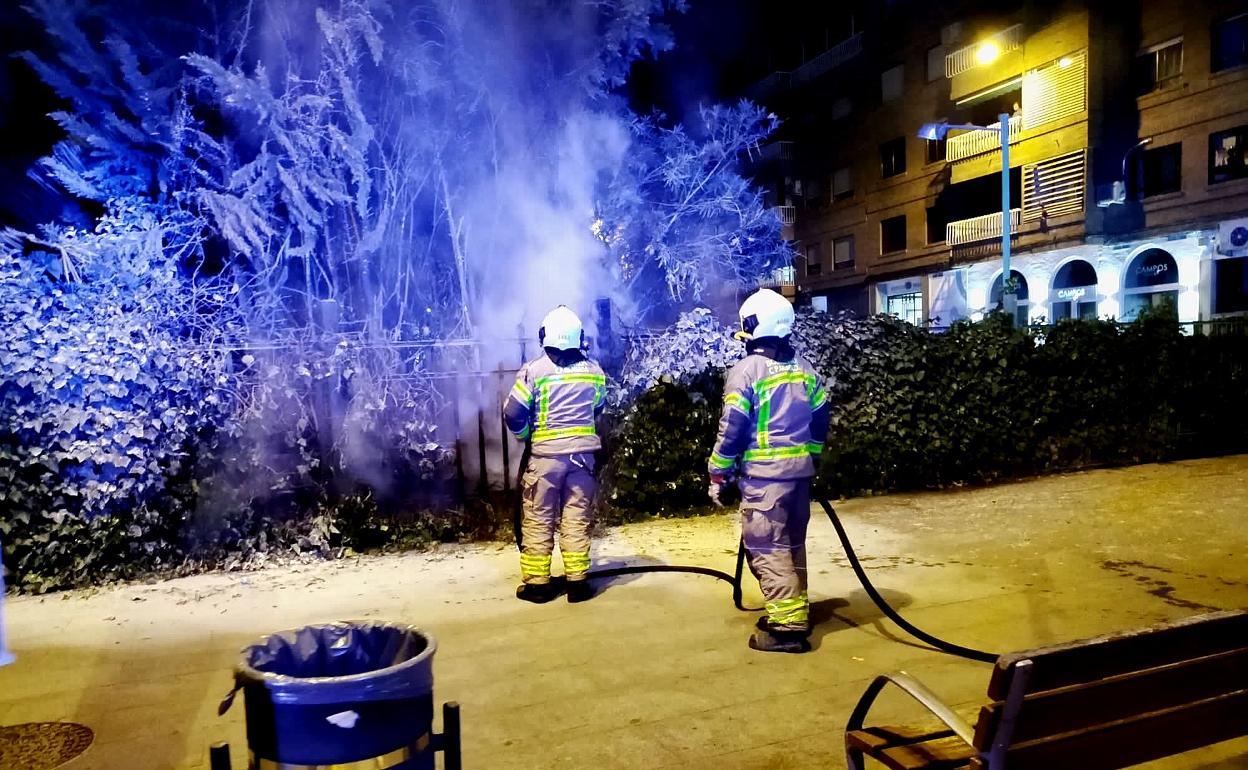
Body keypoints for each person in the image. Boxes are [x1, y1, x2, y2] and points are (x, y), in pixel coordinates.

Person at [708, 289, 829, 653]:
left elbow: (733, 425)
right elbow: (821, 417)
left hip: (765, 479)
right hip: (798, 476)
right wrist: (813, 456)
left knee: (766, 546)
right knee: (791, 545)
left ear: (755, 329)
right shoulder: (804, 369)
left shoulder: (746, 372)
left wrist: (719, 470)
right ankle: (794, 608)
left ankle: (788, 626)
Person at [504, 305, 607, 604]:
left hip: (545, 460)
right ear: (579, 338)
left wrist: (526, 436)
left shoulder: (534, 371)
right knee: (576, 517)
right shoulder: (594, 372)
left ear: (544, 336)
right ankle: (577, 584)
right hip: (583, 459)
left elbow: (513, 413)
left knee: (538, 517)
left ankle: (538, 585)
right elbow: (598, 408)